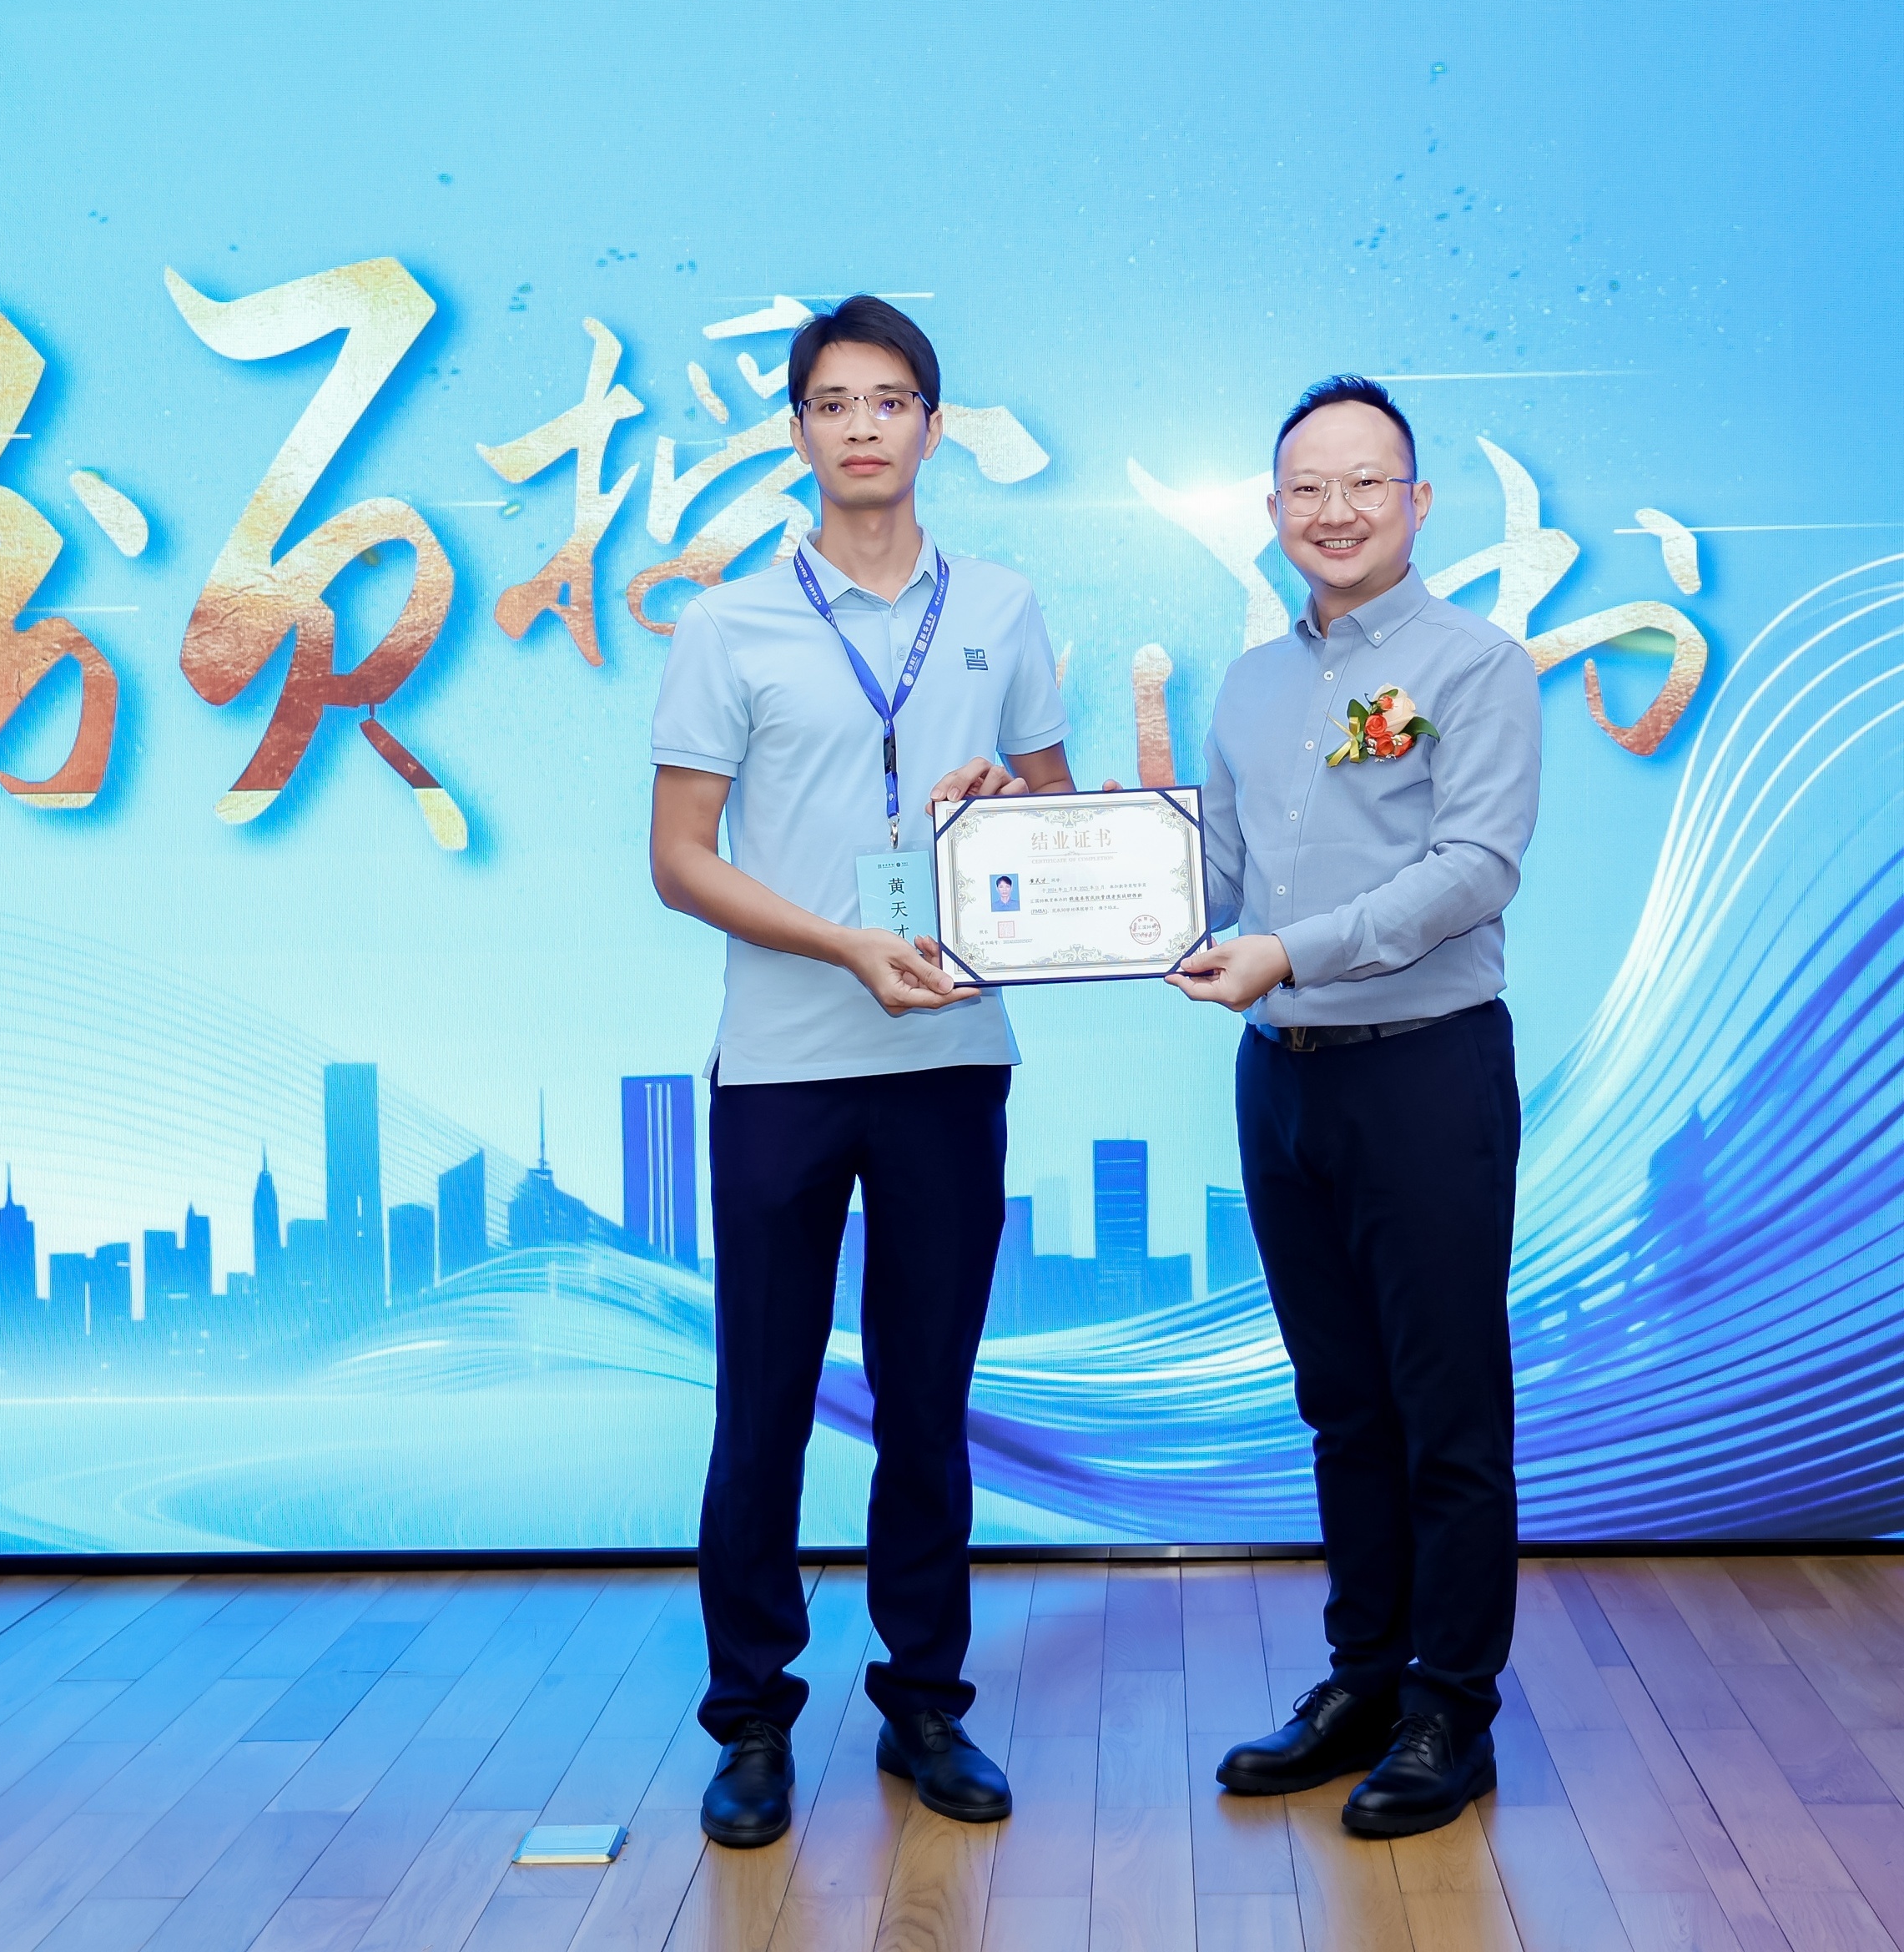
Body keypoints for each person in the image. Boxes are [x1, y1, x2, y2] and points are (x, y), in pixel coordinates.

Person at [648, 295, 1079, 1849]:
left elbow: (1061, 821)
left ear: (932, 426)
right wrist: (841, 944)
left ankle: (927, 1707)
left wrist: (1008, 798)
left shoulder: (1005, 608)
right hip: (782, 1064)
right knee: (762, 1401)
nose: (862, 427)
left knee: (927, 1399)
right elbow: (678, 858)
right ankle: (753, 1721)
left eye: (889, 400)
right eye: (832, 403)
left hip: (952, 1053)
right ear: (798, 432)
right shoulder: (730, 624)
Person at [1169, 375, 1540, 1837]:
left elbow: (1475, 870)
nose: (1335, 511)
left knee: (1447, 1408)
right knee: (1341, 1405)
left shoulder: (1477, 666)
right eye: (1306, 489)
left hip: (1426, 1070)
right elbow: (1207, 883)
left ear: (1418, 502)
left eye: (1365, 484)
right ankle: (1366, 1678)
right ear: (1273, 509)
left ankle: (1453, 1708)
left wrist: (1290, 952)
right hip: (1283, 1081)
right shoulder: (1250, 684)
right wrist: (1047, 868)